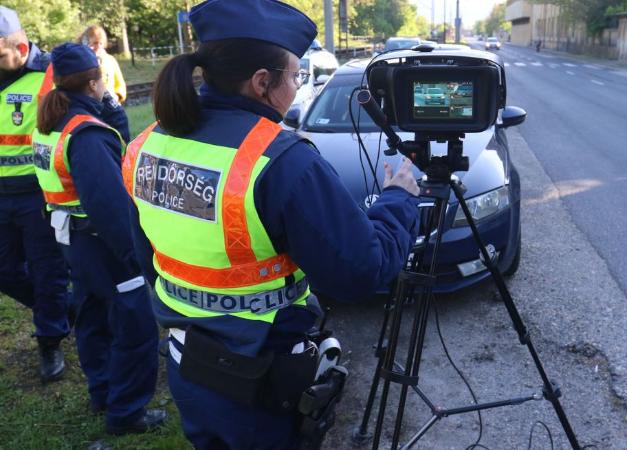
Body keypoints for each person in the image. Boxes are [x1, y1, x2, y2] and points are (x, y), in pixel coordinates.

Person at [122, 0, 420, 447]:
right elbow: (362, 272)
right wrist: (400, 198)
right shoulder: (281, 160)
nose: (298, 86)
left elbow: (145, 250)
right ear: (263, 82)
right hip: (259, 384)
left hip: (189, 366)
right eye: (296, 75)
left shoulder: (146, 143)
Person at [31, 42, 166, 435]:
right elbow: (109, 205)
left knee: (92, 318)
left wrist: (110, 112)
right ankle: (127, 413)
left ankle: (104, 392)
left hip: (71, 240)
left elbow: (113, 149)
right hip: (103, 245)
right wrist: (134, 255)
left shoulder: (56, 123)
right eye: (102, 79)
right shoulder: (86, 135)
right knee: (136, 327)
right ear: (93, 82)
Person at [0, 5, 70, 383]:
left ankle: (50, 340)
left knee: (48, 273)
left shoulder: (49, 77)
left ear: (21, 49)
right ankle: (65, 312)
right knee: (5, 270)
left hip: (36, 194)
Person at [79, 25, 126, 104]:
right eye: (94, 43)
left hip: (110, 106)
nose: (98, 47)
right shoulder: (80, 62)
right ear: (85, 43)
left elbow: (120, 85)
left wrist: (117, 96)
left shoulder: (110, 60)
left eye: (101, 43)